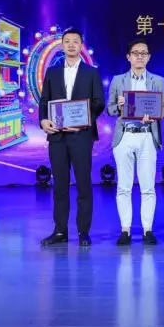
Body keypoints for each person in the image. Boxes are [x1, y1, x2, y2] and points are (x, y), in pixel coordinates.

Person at [39, 28, 105, 247]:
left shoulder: (91, 72)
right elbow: (44, 101)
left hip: (81, 135)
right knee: (60, 185)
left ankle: (83, 231)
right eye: (67, 41)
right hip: (57, 137)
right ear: (62, 45)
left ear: (81, 45)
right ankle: (60, 231)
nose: (71, 45)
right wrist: (43, 120)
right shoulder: (52, 72)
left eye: (75, 41)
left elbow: (99, 102)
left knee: (83, 184)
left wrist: (82, 120)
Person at [106, 40, 164, 246]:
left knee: (148, 186)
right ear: (128, 57)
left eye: (143, 53)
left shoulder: (158, 81)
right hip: (125, 135)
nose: (139, 56)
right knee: (123, 186)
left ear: (149, 57)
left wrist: (154, 115)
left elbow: (163, 110)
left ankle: (148, 230)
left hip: (147, 135)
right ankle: (126, 230)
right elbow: (110, 109)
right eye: (135, 53)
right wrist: (119, 105)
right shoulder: (118, 80)